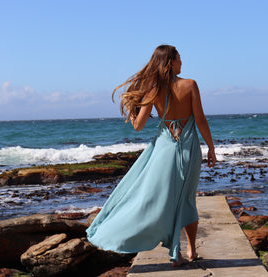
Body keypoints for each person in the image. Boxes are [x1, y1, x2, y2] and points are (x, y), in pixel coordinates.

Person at [86, 44, 216, 267]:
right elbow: (201, 120)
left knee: (154, 199)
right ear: (170, 62)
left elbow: (138, 127)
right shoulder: (190, 85)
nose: (182, 63)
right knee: (187, 198)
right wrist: (211, 148)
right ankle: (190, 251)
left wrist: (133, 109)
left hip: (164, 149)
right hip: (188, 148)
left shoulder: (153, 90)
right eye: (179, 59)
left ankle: (154, 240)